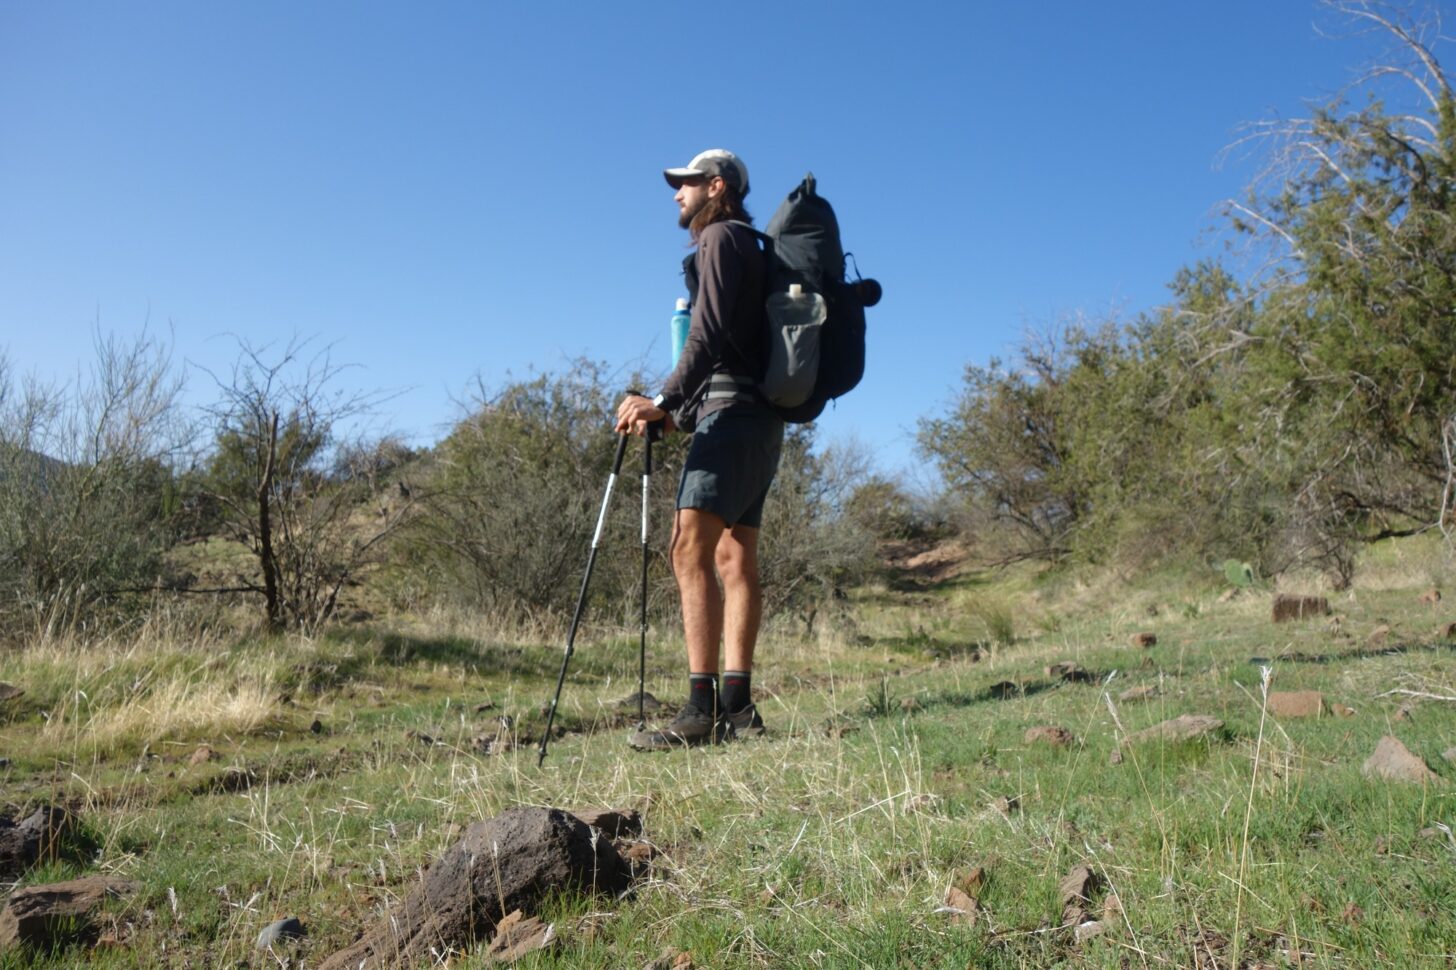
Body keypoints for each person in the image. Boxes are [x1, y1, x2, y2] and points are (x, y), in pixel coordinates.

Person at [615, 148, 784, 750]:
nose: (676, 194)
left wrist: (662, 400)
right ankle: (738, 710)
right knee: (735, 560)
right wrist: (679, 415)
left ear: (716, 186)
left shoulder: (718, 240)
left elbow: (708, 332)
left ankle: (700, 711)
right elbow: (731, 344)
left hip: (732, 417)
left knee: (689, 551)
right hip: (762, 422)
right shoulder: (754, 246)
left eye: (685, 184)